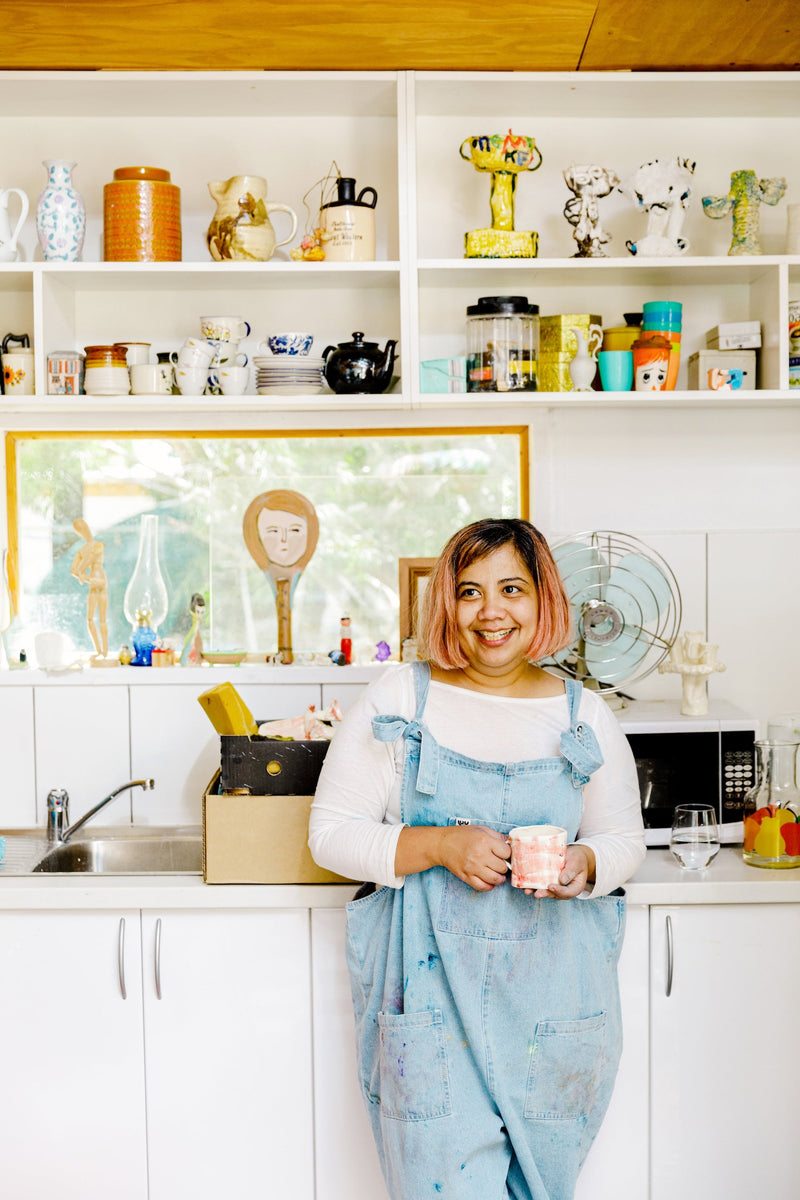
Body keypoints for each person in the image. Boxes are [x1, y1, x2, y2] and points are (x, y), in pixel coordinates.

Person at [309, 517, 646, 1200]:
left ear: (544, 600)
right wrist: (438, 845)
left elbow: (623, 841)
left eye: (512, 589)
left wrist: (583, 864)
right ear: (447, 606)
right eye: (469, 592)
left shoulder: (585, 716)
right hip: (431, 1017)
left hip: (553, 1028)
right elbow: (331, 835)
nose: (491, 612)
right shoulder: (403, 698)